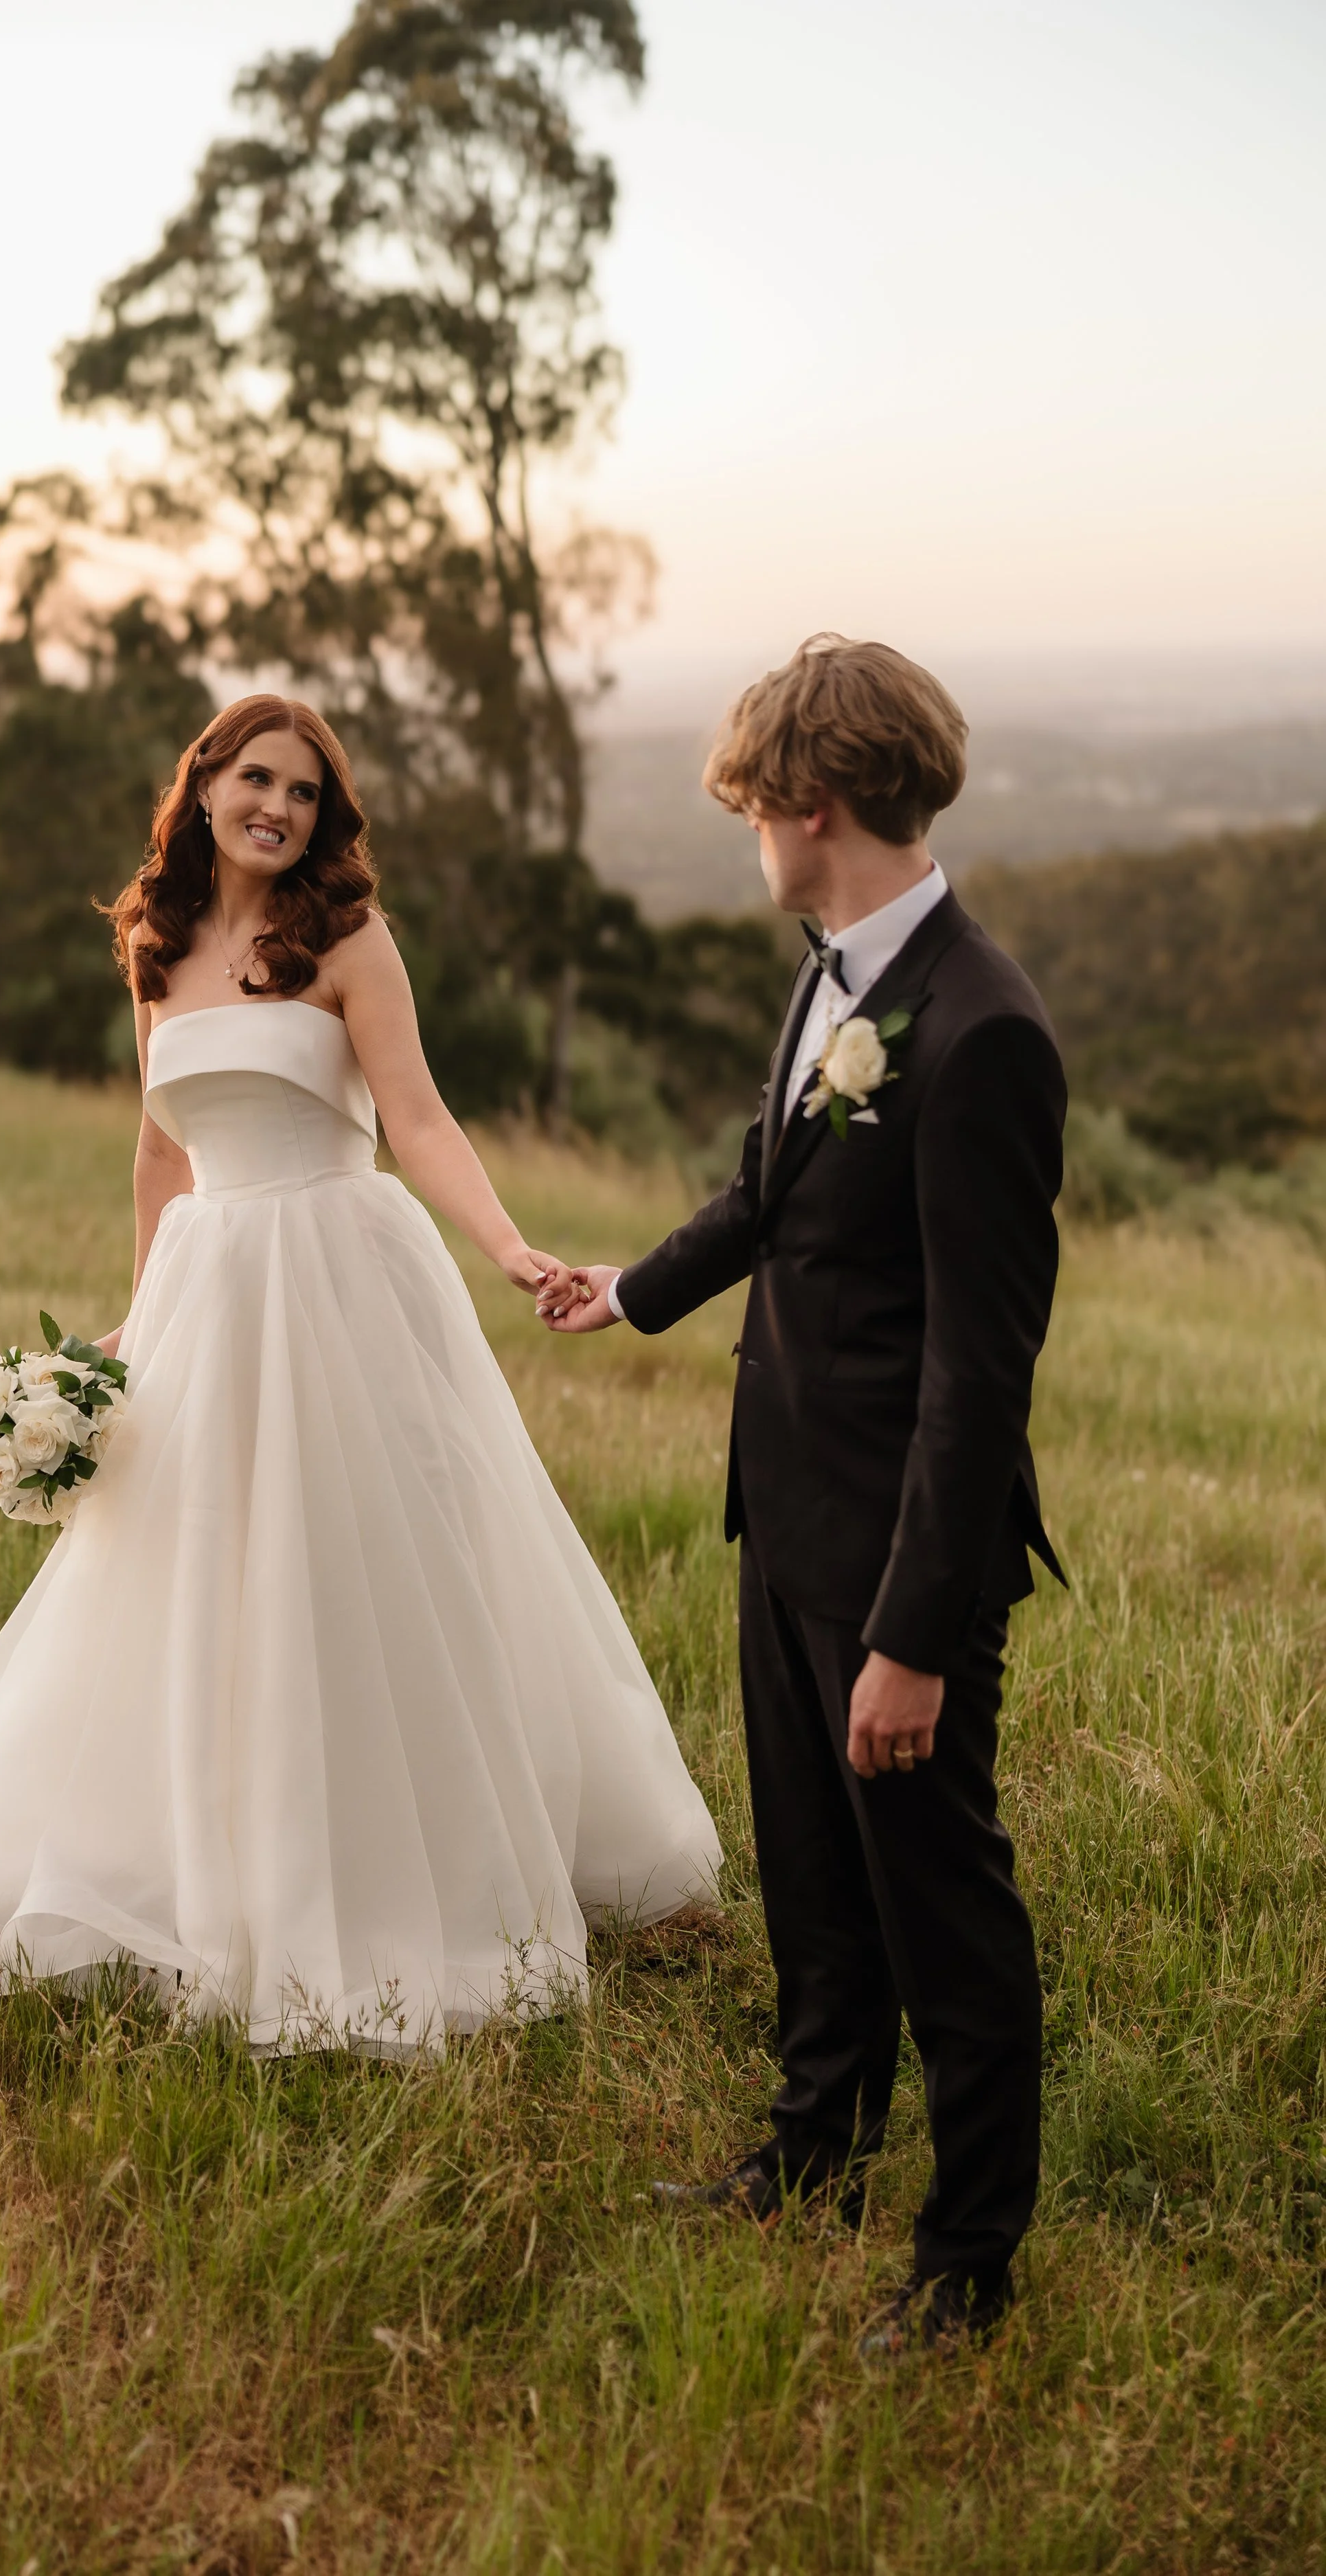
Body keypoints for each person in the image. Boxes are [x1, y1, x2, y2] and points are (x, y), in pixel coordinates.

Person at [0, 694, 720, 2051]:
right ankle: (202, 1830)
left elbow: (418, 1117)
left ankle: (404, 1847)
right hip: (211, 1287)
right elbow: (163, 1156)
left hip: (337, 1266)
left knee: (362, 1555)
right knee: (204, 1567)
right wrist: (134, 1320)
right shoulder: (156, 950)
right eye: (255, 779)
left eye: (305, 792)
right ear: (204, 784)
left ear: (324, 820)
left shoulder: (347, 941)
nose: (277, 807)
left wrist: (509, 1247)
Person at [540, 636, 1066, 2353]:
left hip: (902, 1557)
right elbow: (771, 1184)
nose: (744, 838)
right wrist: (631, 1290)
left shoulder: (979, 1031)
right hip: (783, 1511)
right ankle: (813, 2145)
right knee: (809, 1877)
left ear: (806, 805)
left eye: (748, 810)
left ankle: (966, 2264)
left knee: (940, 1907)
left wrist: (913, 1635)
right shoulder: (829, 968)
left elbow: (979, 1376)